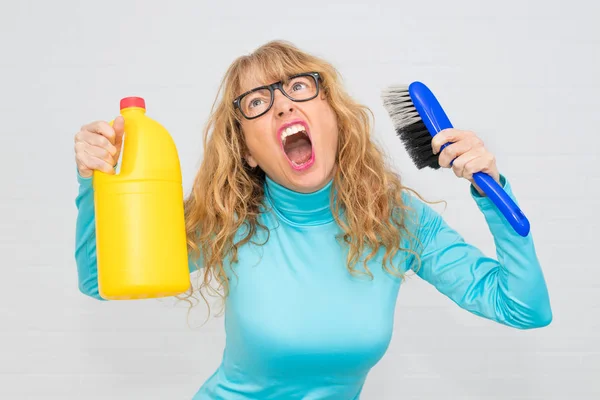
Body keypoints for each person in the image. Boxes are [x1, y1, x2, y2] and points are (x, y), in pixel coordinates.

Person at [73, 40, 552, 399]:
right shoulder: (230, 219)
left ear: (335, 116)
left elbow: (523, 308)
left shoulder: (395, 220)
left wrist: (491, 189)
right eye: (256, 102)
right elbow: (101, 281)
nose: (283, 103)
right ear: (248, 152)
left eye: (299, 87)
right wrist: (91, 184)